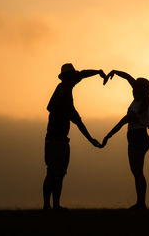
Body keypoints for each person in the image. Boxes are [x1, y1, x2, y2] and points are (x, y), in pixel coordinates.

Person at [43, 63, 106, 210]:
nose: (76, 80)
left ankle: (55, 205)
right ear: (67, 79)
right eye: (72, 78)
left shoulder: (64, 88)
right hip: (54, 141)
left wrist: (98, 72)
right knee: (52, 173)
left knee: (59, 174)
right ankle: (47, 205)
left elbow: (82, 74)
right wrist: (91, 140)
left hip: (61, 140)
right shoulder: (63, 98)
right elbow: (78, 122)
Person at [101, 70, 149, 209]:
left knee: (138, 172)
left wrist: (108, 136)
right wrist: (114, 72)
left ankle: (141, 203)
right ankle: (140, 203)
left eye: (135, 88)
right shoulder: (142, 98)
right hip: (137, 137)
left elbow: (123, 121)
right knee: (136, 172)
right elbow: (128, 77)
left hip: (138, 137)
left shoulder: (140, 104)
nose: (132, 90)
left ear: (140, 91)